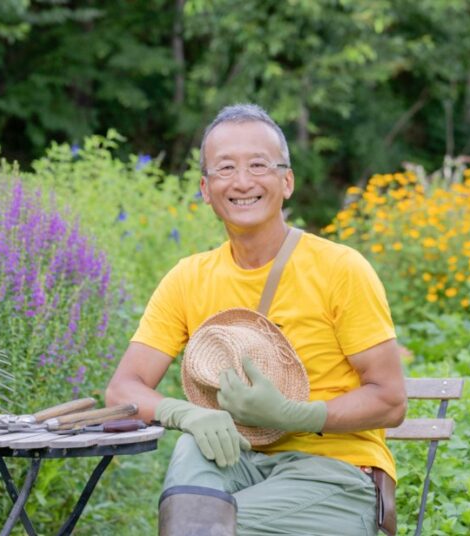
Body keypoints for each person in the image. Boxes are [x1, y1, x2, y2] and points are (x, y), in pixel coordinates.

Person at [105, 103, 407, 535]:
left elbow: (391, 400)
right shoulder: (187, 279)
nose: (242, 182)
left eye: (258, 165)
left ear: (287, 181)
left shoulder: (340, 269)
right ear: (206, 190)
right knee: (193, 450)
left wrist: (295, 415)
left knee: (204, 528)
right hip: (241, 466)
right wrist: (184, 414)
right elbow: (123, 387)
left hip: (335, 473)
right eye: (225, 168)